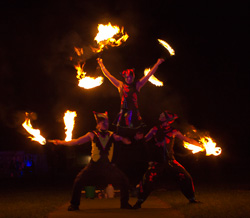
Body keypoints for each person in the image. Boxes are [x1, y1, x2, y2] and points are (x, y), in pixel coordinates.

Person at [51, 111, 133, 211]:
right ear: (98, 124)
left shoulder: (112, 135)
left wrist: (126, 140)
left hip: (108, 166)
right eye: (103, 122)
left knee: (124, 180)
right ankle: (74, 205)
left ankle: (124, 204)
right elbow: (77, 142)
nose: (105, 124)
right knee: (78, 181)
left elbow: (121, 138)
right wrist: (60, 142)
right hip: (94, 165)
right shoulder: (92, 134)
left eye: (106, 122)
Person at [133, 110, 201, 209]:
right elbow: (145, 139)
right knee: (147, 179)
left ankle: (192, 199)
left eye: (162, 115)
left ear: (167, 119)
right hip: (158, 162)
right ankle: (139, 202)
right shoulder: (155, 129)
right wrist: (138, 139)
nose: (160, 115)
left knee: (186, 177)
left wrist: (200, 145)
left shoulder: (174, 131)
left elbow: (187, 140)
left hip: (171, 161)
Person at [97, 58, 165, 138]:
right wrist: (101, 64)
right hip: (123, 115)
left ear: (133, 77)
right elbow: (108, 75)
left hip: (134, 115)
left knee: (136, 137)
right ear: (125, 77)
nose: (129, 79)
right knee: (121, 136)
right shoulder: (120, 85)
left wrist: (157, 63)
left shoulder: (137, 85)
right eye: (127, 77)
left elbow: (149, 75)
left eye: (130, 77)